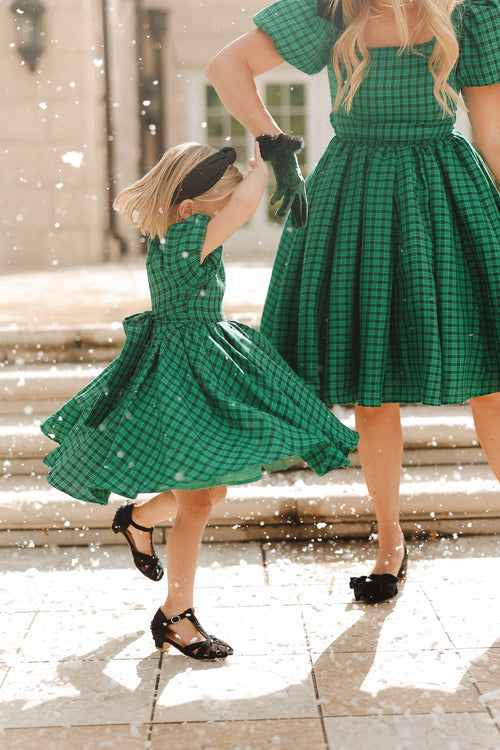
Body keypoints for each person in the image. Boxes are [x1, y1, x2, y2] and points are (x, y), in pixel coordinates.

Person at [205, 0, 500, 604]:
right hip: (355, 195)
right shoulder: (330, 14)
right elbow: (226, 66)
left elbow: (491, 130)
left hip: (446, 195)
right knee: (373, 388)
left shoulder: (470, 17)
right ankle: (390, 544)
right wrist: (273, 141)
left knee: (493, 384)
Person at [40, 141, 359, 658]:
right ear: (191, 210)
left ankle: (140, 519)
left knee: (211, 495)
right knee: (196, 503)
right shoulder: (188, 235)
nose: (226, 218)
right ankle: (176, 616)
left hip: (195, 363)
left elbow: (237, 207)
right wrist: (266, 162)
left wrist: (263, 166)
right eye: (217, 206)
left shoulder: (174, 232)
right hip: (186, 373)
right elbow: (245, 206)